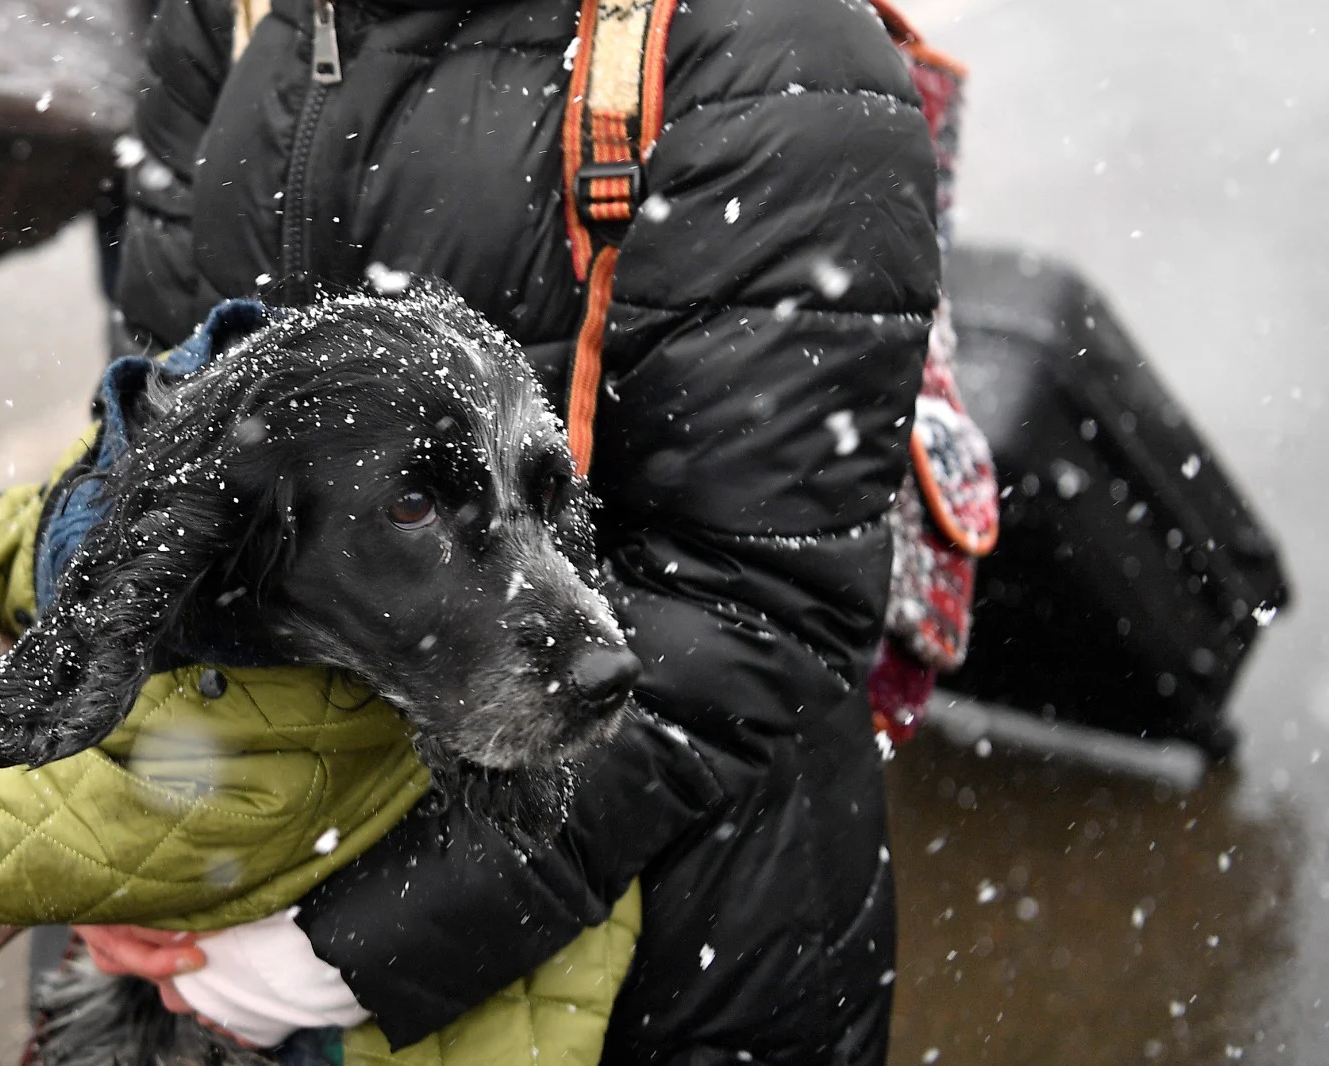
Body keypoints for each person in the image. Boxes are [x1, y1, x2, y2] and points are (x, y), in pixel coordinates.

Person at [79, 0, 942, 1063]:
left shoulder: (778, 47)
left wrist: (345, 946)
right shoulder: (230, 10)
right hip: (216, 925)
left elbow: (756, 604)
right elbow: (156, 464)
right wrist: (100, 844)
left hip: (657, 951)